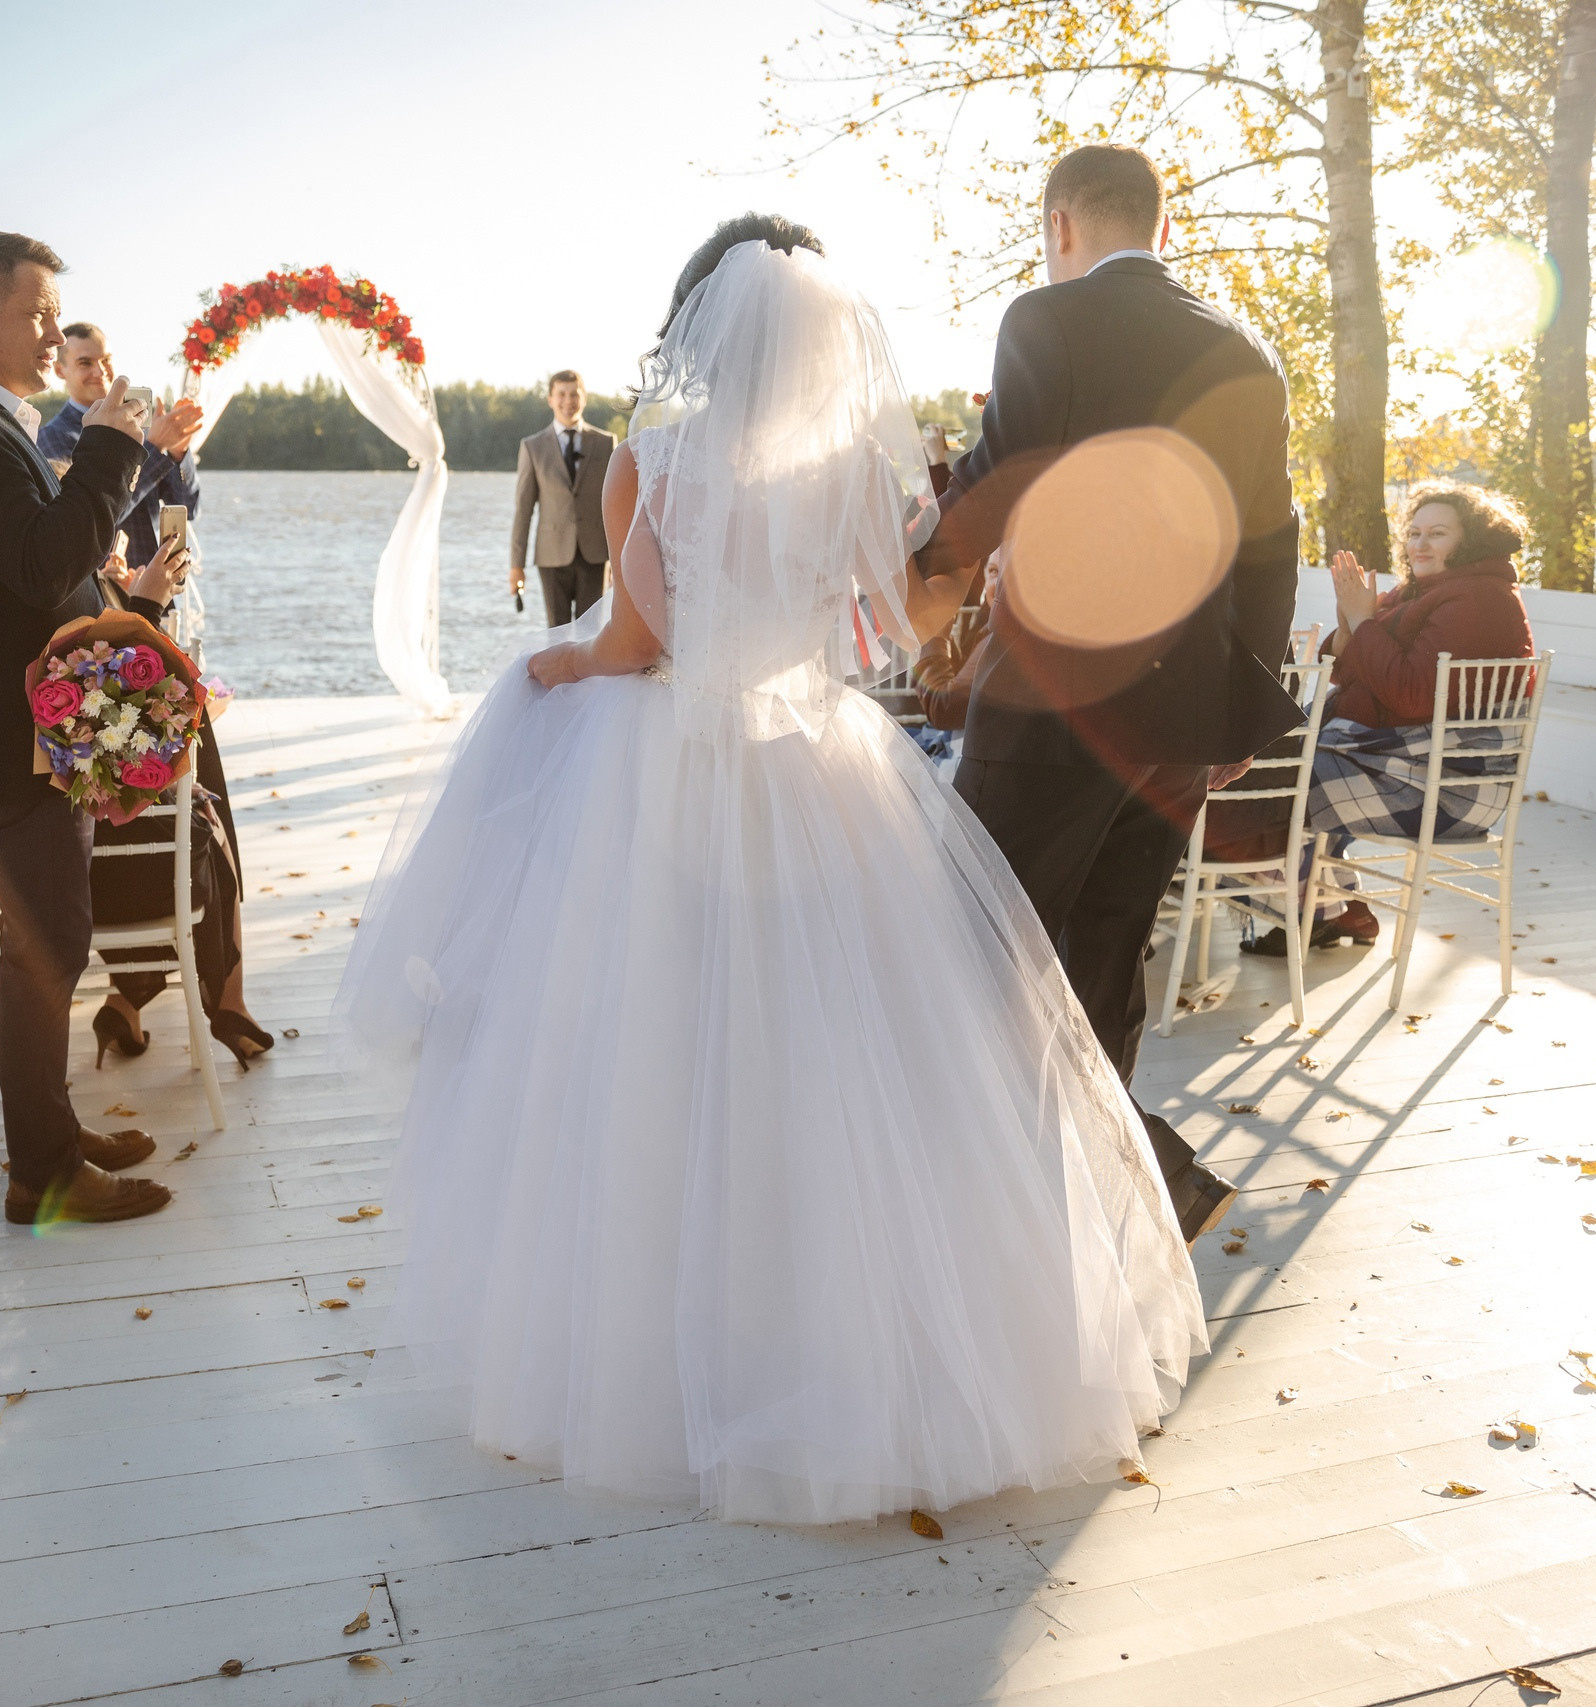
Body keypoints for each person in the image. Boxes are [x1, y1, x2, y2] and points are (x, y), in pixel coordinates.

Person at [334, 220, 1204, 1526]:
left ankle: (665, 1346)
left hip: (668, 775)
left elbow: (642, 638)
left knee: (655, 1054)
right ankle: (852, 1334)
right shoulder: (855, 468)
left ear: (694, 326)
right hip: (818, 759)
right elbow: (899, 627)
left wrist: (553, 665)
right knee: (836, 1058)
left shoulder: (652, 459)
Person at [920, 144, 1303, 1246]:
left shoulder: (1046, 320)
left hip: (1055, 702)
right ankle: (1096, 1220)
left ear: (1060, 224)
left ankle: (1095, 1191)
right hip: (1182, 717)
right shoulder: (1246, 351)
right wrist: (1241, 711)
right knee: (1103, 955)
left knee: (977, 940)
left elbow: (996, 484)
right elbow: (1269, 551)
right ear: (1162, 227)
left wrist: (901, 584)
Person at [0, 225, 184, 1228]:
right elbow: (37, 557)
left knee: (54, 938)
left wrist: (123, 604)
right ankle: (42, 1176)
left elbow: (53, 565)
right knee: (41, 951)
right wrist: (110, 445)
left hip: (41, 727)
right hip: (17, 732)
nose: (52, 329)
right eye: (37, 312)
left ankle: (52, 1136)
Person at [1242, 483, 1537, 958]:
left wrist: (1363, 623)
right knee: (1267, 768)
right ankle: (1328, 910)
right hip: (1399, 759)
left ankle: (1311, 909)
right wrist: (1351, 619)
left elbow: (1412, 692)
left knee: (1270, 785)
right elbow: (1349, 671)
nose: (1419, 544)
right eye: (1415, 533)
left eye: (1437, 534)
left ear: (1473, 539)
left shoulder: (1480, 600)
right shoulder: (1419, 593)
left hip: (1445, 783)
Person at [86, 551, 270, 1071]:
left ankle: (125, 1003)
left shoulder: (56, 586)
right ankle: (228, 1000)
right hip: (131, 863)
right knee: (203, 811)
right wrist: (143, 604)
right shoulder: (66, 595)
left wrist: (123, 595)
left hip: (83, 852)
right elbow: (112, 708)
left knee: (187, 749)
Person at [38, 322, 208, 566]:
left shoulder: (142, 429)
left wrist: (177, 451)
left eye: (106, 359)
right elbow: (87, 522)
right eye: (85, 363)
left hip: (154, 587)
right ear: (59, 370)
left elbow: (189, 508)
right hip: (105, 594)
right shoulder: (53, 438)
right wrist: (155, 446)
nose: (100, 371)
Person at [510, 370, 615, 627]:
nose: (568, 401)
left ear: (584, 398)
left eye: (574, 394)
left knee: (590, 632)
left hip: (595, 554)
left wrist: (618, 560)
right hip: (551, 555)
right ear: (550, 399)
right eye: (561, 394)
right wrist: (516, 566)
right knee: (555, 630)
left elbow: (614, 506)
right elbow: (523, 511)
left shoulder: (605, 443)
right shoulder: (532, 447)